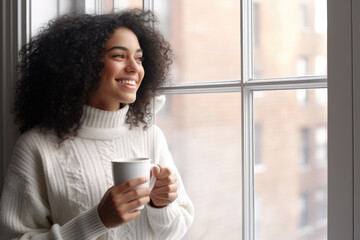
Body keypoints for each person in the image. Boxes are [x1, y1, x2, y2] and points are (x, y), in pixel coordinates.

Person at [0, 9, 194, 240]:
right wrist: (97, 221)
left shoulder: (150, 136)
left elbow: (174, 232)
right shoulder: (37, 146)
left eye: (139, 58)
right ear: (82, 65)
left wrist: (161, 206)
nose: (135, 67)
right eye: (119, 56)